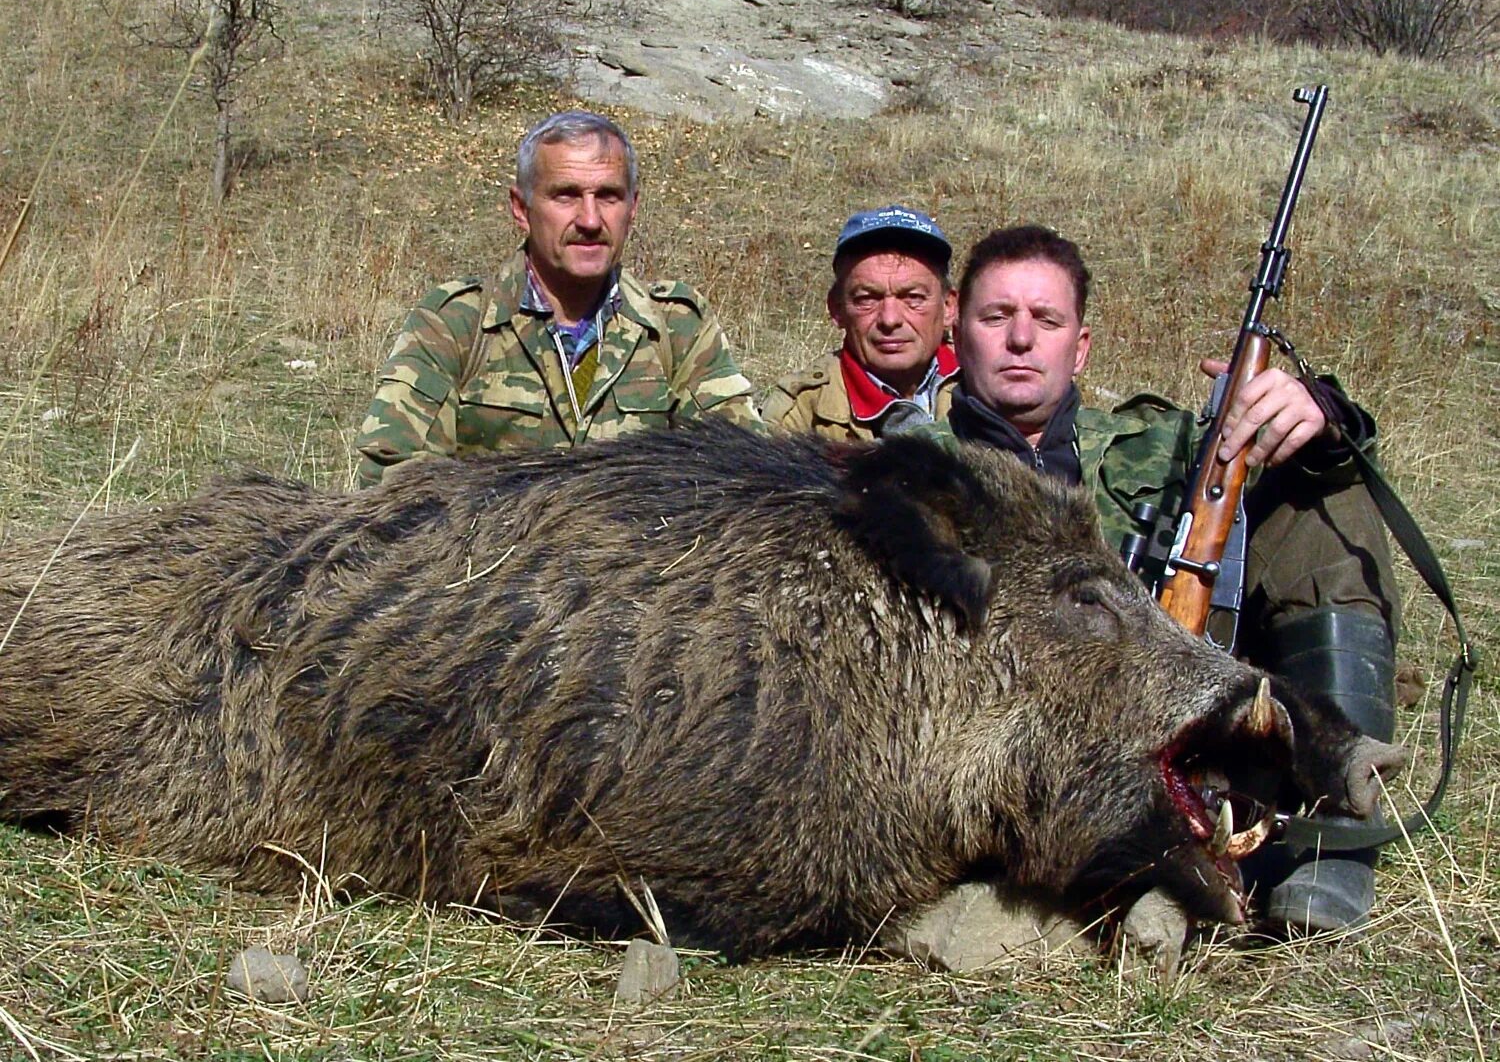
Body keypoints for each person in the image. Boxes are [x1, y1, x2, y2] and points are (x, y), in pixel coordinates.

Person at [948, 223, 1399, 936]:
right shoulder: (911, 472)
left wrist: (1320, 415)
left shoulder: (1167, 446)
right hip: (1022, 762)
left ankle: (1335, 830)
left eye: (1047, 319)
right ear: (956, 326)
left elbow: (1326, 458)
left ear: (1081, 344)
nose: (1021, 340)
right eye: (997, 316)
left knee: (1325, 499)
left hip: (1195, 713)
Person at [355, 111, 758, 486]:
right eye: (565, 196)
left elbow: (743, 473)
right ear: (521, 208)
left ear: (633, 207)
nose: (589, 220)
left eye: (609, 196)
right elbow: (392, 480)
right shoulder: (456, 323)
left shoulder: (678, 329)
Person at [762, 205, 959, 440]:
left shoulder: (986, 381)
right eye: (866, 299)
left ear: (948, 307)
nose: (890, 319)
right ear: (837, 309)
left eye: (913, 298)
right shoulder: (798, 415)